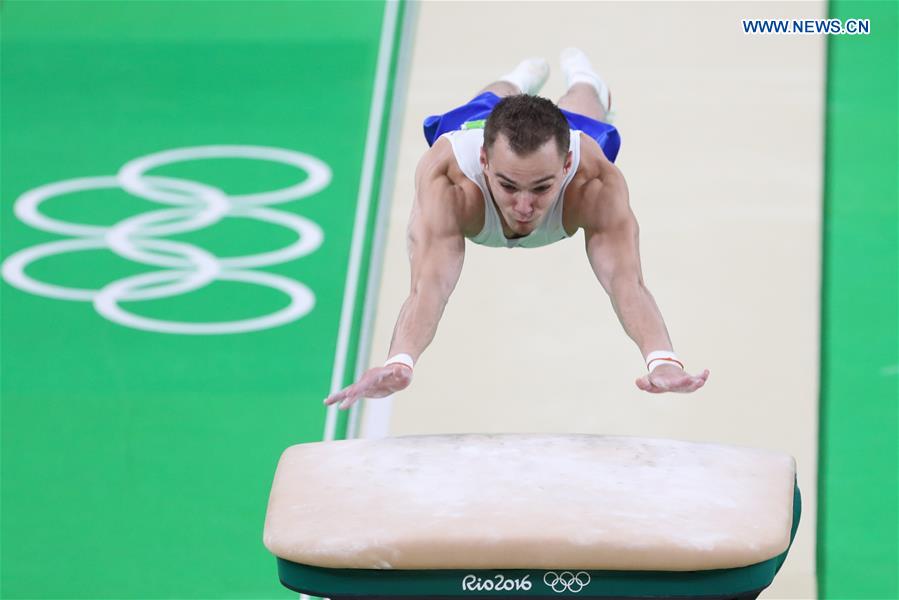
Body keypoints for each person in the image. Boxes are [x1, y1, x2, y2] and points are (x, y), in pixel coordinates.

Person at [325, 48, 709, 411]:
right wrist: (401, 360)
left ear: (567, 164)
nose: (524, 207)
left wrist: (662, 358)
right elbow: (430, 285)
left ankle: (586, 81)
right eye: (509, 186)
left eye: (541, 188)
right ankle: (515, 80)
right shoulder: (450, 181)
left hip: (560, 153)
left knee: (586, 110)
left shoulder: (592, 181)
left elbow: (627, 281)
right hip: (478, 144)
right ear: (484, 161)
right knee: (482, 106)